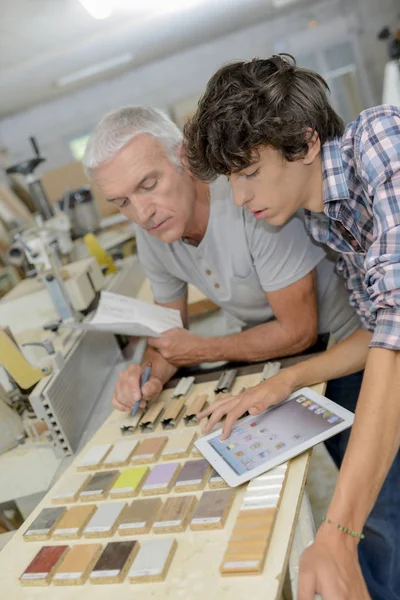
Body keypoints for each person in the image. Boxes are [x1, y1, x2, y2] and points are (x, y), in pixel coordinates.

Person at [183, 54, 400, 600]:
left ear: (304, 145)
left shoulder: (379, 140)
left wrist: (340, 529)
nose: (240, 197)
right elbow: (375, 331)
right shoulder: (323, 217)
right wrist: (281, 383)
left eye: (250, 173)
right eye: (233, 180)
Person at [83, 105, 359, 417]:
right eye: (122, 203)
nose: (142, 214)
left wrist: (202, 348)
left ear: (184, 159)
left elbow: (298, 331)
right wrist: (146, 376)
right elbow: (170, 336)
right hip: (278, 355)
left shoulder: (250, 199)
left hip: (345, 344)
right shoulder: (152, 231)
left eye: (148, 185)